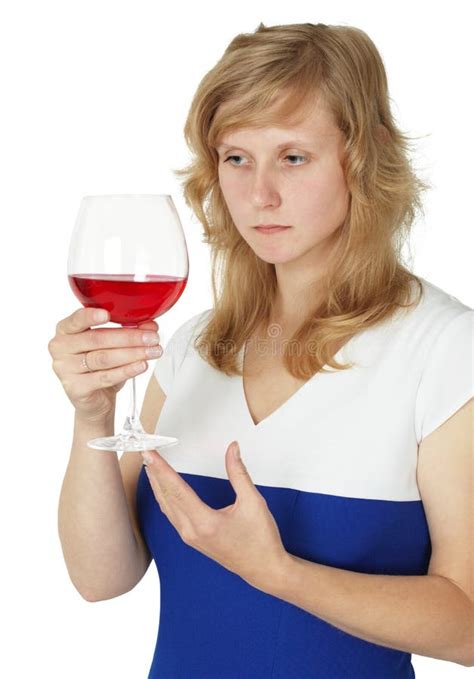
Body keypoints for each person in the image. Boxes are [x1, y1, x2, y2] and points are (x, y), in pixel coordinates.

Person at [51, 22, 473, 678]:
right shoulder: (193, 348)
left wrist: (279, 573)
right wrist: (91, 416)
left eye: (293, 156)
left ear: (362, 156)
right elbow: (101, 578)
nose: (259, 194)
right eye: (236, 157)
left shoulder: (444, 352)